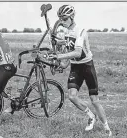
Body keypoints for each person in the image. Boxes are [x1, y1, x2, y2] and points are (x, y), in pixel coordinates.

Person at [48, 5, 112, 136]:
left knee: (94, 100)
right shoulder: (64, 32)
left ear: (72, 17)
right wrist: (58, 61)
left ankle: (107, 128)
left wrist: (58, 56)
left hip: (87, 66)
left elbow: (77, 53)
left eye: (64, 19)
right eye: (60, 19)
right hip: (75, 67)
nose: (62, 21)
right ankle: (91, 116)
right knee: (72, 96)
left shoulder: (80, 31)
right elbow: (65, 53)